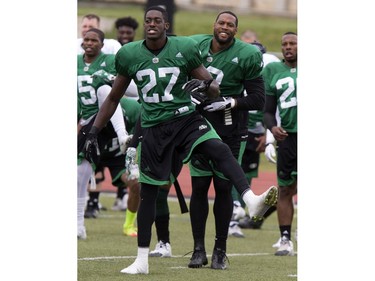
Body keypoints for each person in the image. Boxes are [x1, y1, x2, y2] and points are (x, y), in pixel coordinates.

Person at [82, 6, 277, 275]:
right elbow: (114, 98)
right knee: (149, 191)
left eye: (157, 21)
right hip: (153, 126)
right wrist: (93, 131)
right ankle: (142, 259)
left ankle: (249, 198)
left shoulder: (184, 47)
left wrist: (206, 87)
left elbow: (212, 85)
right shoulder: (129, 54)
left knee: (218, 148)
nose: (152, 24)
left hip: (185, 117)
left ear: (166, 25)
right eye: (148, 20)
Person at [77, 28, 138, 239]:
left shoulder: (111, 60)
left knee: (104, 90)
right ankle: (78, 224)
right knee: (80, 175)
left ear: (102, 44)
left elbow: (129, 88)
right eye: (87, 39)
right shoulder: (74, 62)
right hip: (88, 124)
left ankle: (123, 136)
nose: (90, 43)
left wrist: (109, 78)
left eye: (94, 40)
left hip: (110, 119)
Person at [230, 32, 281, 234]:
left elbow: (270, 108)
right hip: (234, 128)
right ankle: (232, 218)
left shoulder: (267, 76)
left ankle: (239, 213)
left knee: (247, 174)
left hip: (255, 131)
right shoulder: (234, 70)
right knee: (232, 171)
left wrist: (266, 134)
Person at [263, 31, 297, 256]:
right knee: (285, 189)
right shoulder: (272, 71)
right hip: (288, 137)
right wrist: (273, 128)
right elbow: (267, 111)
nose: (288, 47)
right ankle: (285, 238)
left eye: (293, 43)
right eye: (284, 44)